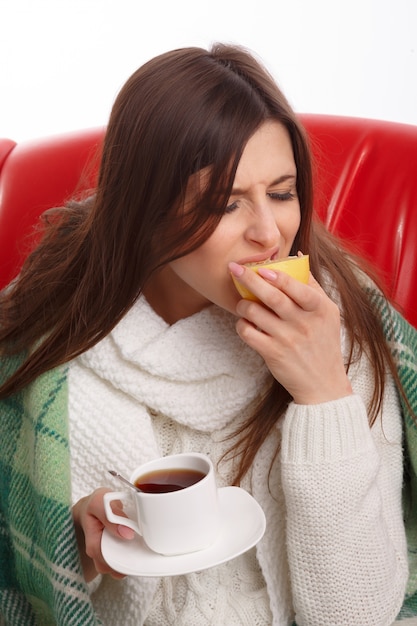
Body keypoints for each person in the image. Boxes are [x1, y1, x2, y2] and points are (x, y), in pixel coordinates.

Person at [0, 43, 416, 626]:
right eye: (226, 204)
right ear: (145, 210)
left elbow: (358, 613)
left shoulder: (335, 326)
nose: (270, 234)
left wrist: (323, 394)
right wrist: (73, 546)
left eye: (281, 192)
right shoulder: (44, 333)